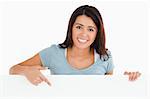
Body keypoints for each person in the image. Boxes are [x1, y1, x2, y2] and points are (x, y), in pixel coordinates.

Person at [9, 5, 141, 86]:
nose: (83, 34)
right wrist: (27, 71)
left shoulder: (105, 57)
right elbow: (13, 69)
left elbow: (109, 89)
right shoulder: (53, 53)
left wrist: (126, 80)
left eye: (90, 29)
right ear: (71, 28)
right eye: (79, 27)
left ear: (97, 33)